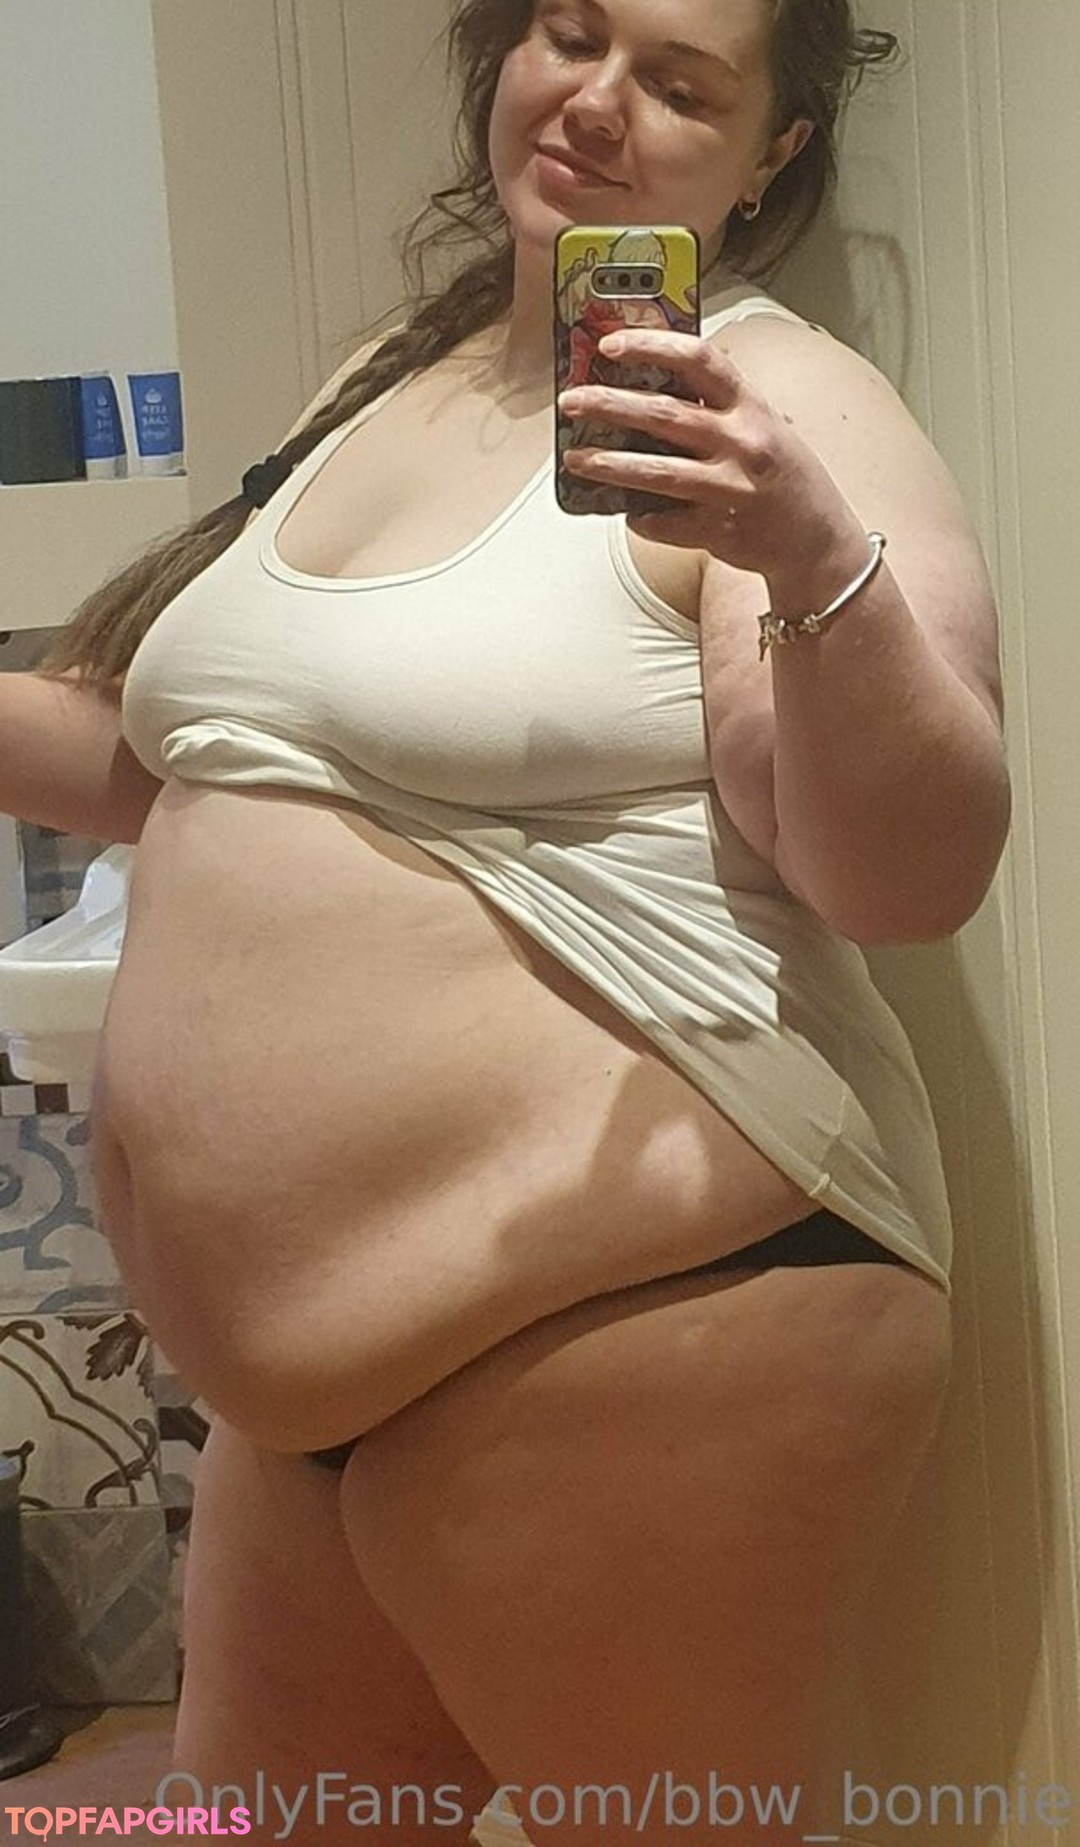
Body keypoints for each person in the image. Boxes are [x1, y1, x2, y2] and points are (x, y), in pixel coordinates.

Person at [1, 0, 1010, 1840]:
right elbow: (182, 765)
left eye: (682, 85)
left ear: (773, 152)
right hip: (307, 1392)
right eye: (572, 34)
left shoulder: (783, 402)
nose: (600, 102)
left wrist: (809, 555)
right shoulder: (395, 376)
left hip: (636, 1321)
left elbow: (906, 874)